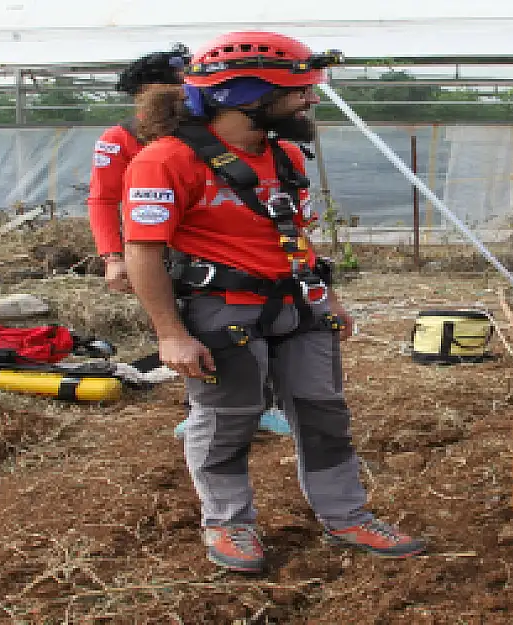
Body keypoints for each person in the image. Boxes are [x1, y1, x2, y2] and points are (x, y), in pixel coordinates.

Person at [121, 31, 426, 573]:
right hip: (221, 312)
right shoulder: (164, 161)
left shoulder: (285, 153)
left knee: (322, 412)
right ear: (246, 96)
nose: (311, 99)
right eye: (300, 91)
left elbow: (295, 232)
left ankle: (346, 514)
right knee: (226, 420)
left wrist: (326, 297)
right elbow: (142, 253)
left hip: (299, 306)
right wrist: (170, 333)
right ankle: (229, 523)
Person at [87, 44, 189, 293]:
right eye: (178, 88)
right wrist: (113, 258)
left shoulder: (208, 132)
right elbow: (103, 199)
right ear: (144, 93)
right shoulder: (119, 139)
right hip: (153, 249)